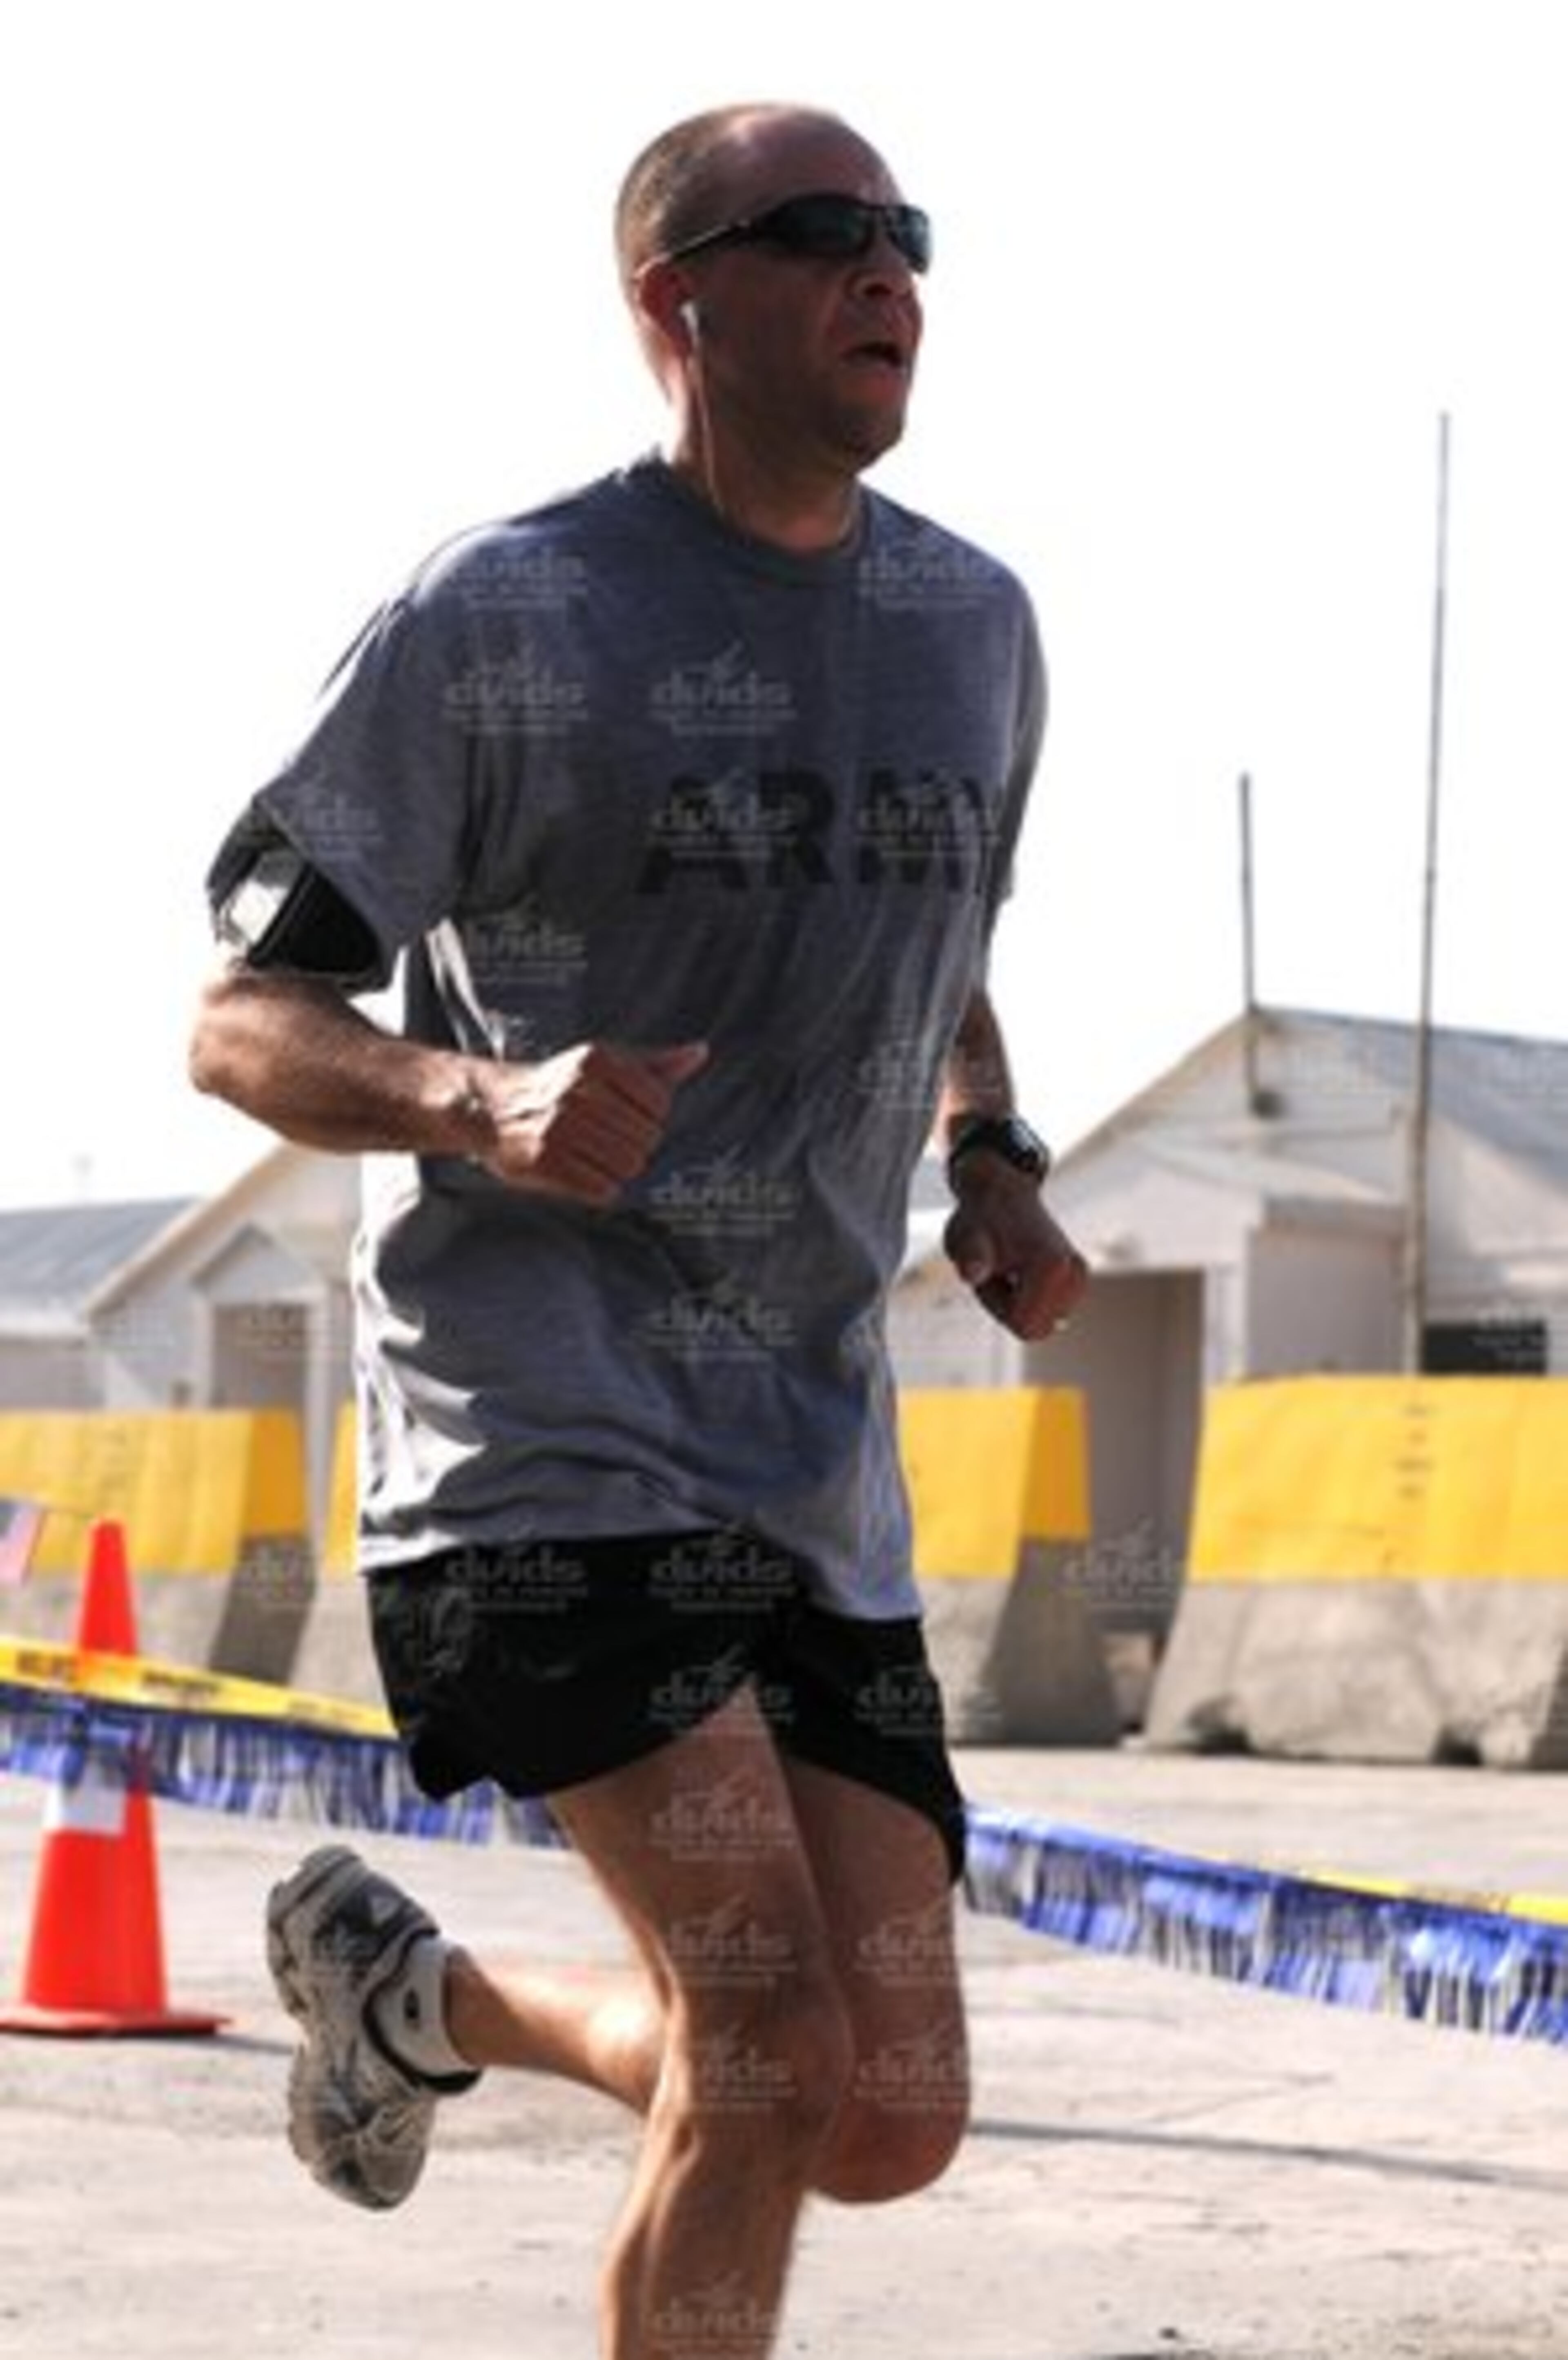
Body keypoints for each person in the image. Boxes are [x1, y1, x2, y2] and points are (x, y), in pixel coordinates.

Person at [190, 97, 1087, 2360]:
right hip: (540, 1429)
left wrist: (993, 1155)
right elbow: (242, 1019)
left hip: (812, 1461)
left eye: (907, 234)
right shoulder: (507, 618)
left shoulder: (973, 626)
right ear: (670, 303)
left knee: (875, 2106)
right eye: (820, 234)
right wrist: (472, 1097)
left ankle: (428, 1997)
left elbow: (936, 915)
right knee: (769, 2026)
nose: (887, 274)